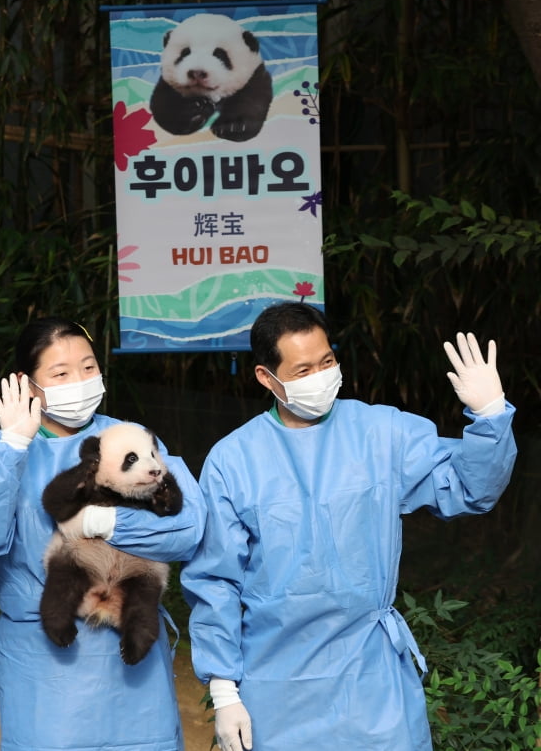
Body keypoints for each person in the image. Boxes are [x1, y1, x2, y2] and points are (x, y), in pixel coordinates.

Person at [180, 302, 518, 751]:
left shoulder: (381, 432)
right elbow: (215, 580)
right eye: (302, 370)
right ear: (267, 377)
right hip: (278, 681)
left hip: (371, 678)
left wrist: (491, 416)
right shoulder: (234, 459)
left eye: (327, 362)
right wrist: (224, 692)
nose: (320, 376)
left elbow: (470, 489)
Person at [0, 316, 205, 751]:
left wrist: (113, 523)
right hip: (44, 661)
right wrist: (12, 448)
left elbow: (187, 529)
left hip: (131, 654)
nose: (79, 381)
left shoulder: (131, 440)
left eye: (87, 367)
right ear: (28, 384)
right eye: (60, 373)